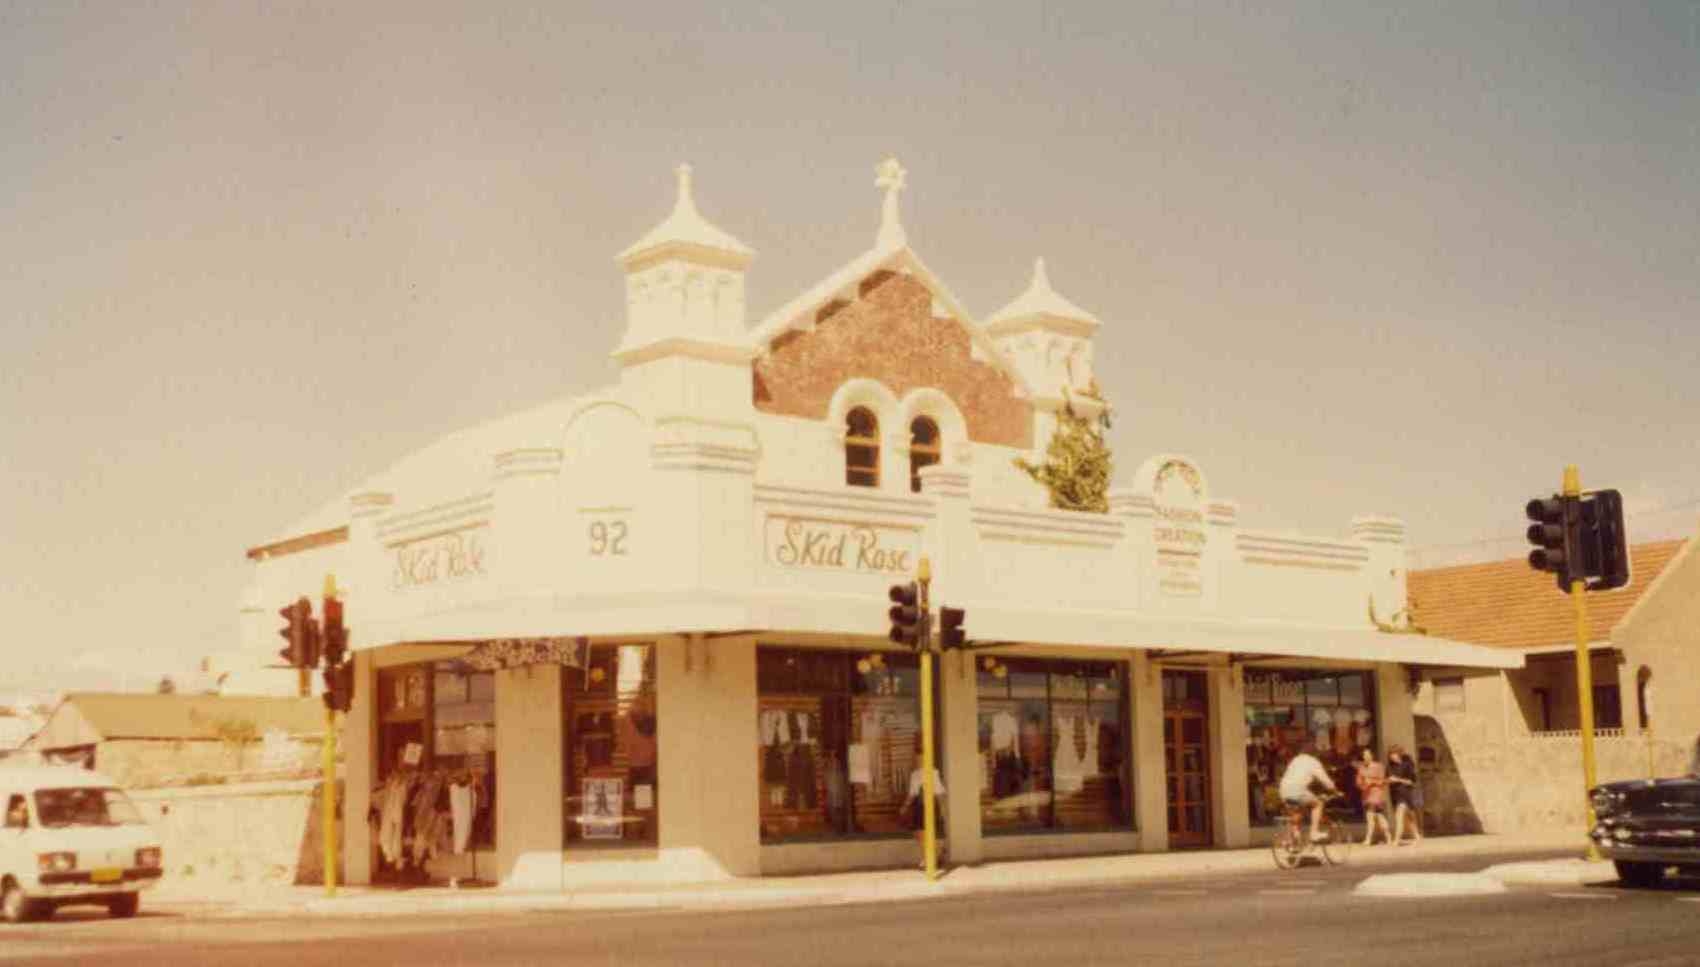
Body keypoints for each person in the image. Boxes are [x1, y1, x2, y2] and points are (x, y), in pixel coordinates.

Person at [1278, 743, 1340, 843]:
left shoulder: (1296, 759)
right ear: (1315, 753)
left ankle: (1294, 841)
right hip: (1297, 790)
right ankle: (1314, 833)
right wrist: (1335, 791)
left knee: (1297, 813)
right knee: (1318, 803)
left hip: (1283, 790)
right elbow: (1326, 781)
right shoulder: (1313, 762)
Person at [904, 749, 948, 869]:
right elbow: (913, 793)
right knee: (922, 833)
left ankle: (930, 858)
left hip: (927, 805)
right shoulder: (922, 773)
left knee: (924, 833)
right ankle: (931, 856)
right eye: (917, 758)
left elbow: (938, 792)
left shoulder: (929, 773)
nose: (919, 761)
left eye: (921, 758)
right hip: (925, 805)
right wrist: (905, 806)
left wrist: (942, 809)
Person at [1355, 748, 1393, 846]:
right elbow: (1358, 782)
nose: (1366, 757)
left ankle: (1368, 838)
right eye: (1364, 755)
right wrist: (1363, 785)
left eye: (1367, 755)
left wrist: (1372, 782)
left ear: (1372, 756)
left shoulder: (1379, 766)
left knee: (1370, 816)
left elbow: (1383, 781)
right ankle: (1388, 837)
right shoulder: (1361, 768)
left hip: (1377, 793)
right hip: (1366, 794)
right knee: (1379, 816)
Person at [1387, 745, 1424, 845]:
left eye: (1393, 754)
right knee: (1408, 818)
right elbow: (1387, 778)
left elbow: (1411, 781)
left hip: (1405, 793)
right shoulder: (1390, 766)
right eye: (1390, 755)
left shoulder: (1407, 765)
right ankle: (1417, 836)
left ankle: (1396, 840)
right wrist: (1389, 781)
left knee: (1399, 816)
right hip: (1394, 794)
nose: (1391, 757)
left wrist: (1398, 780)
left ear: (1398, 754)